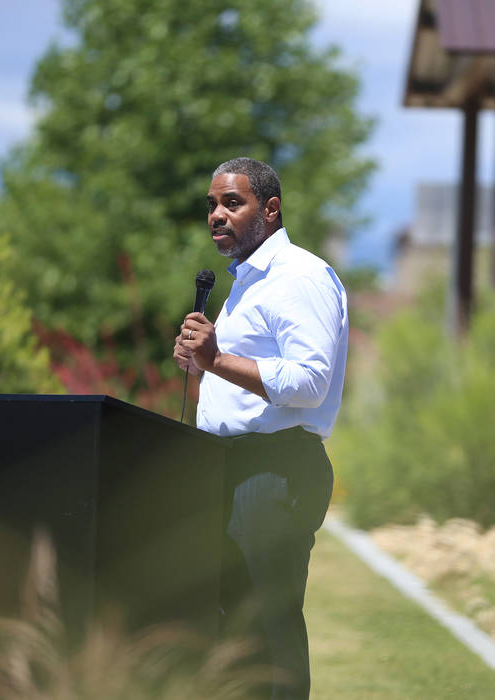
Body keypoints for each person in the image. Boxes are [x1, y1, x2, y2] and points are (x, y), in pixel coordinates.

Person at [173, 157, 348, 700]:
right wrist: (202, 364)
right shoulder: (245, 285)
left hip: (274, 470)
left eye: (232, 202)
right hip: (230, 468)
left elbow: (310, 381)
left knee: (267, 635)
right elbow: (238, 374)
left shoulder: (299, 275)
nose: (217, 215)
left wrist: (217, 359)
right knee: (232, 633)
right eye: (211, 205)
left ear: (270, 209)